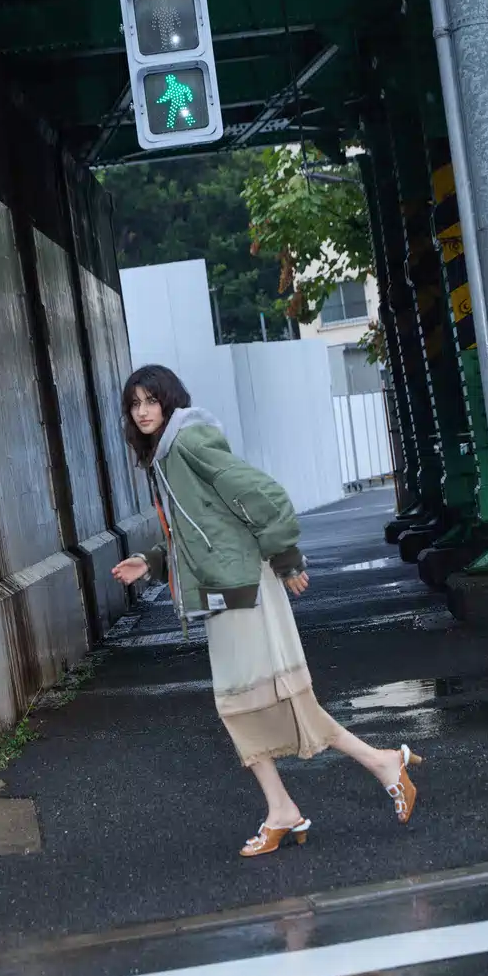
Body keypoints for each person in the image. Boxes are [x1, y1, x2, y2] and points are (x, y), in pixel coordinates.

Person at [112, 364, 422, 858]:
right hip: (224, 587)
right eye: (135, 404)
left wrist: (285, 556)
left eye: (152, 401)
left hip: (241, 586)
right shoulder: (164, 458)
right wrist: (151, 562)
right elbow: (201, 530)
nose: (143, 412)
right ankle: (298, 800)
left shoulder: (188, 443)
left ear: (170, 403)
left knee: (249, 700)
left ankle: (360, 772)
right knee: (251, 701)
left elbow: (260, 494)